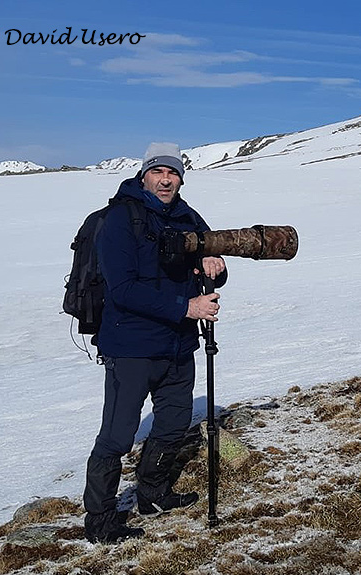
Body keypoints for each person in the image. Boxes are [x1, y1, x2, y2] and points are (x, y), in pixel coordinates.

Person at [83, 142, 227, 543]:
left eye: (174, 173)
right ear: (144, 174)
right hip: (131, 345)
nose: (166, 180)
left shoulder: (187, 215)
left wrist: (215, 265)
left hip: (179, 344)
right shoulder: (120, 219)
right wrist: (187, 307)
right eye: (159, 172)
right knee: (117, 434)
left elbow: (208, 270)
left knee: (174, 422)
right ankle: (99, 520)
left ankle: (153, 494)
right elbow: (124, 289)